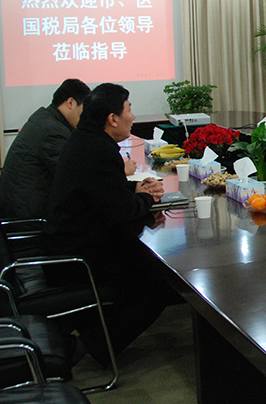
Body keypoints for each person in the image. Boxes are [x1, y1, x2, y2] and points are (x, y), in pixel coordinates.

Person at [41, 83, 176, 366]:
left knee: (145, 268)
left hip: (69, 243)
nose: (133, 117)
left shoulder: (86, 140)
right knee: (156, 286)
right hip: (80, 257)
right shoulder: (99, 150)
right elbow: (122, 211)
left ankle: (94, 335)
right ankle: (92, 345)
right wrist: (146, 198)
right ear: (112, 118)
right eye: (129, 110)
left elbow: (104, 192)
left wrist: (136, 189)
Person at [0, 79, 91, 220]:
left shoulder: (44, 118)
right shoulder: (52, 131)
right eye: (84, 109)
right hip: (28, 217)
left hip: (19, 207)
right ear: (71, 102)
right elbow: (74, 176)